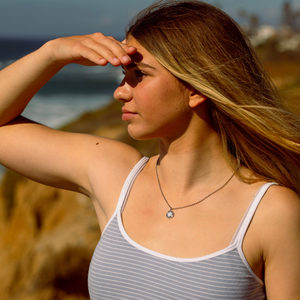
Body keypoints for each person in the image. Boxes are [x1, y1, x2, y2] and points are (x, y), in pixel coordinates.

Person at [0, 0, 300, 299]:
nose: (120, 91)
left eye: (138, 75)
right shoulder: (113, 174)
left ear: (195, 88)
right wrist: (52, 54)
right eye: (123, 75)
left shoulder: (271, 213)